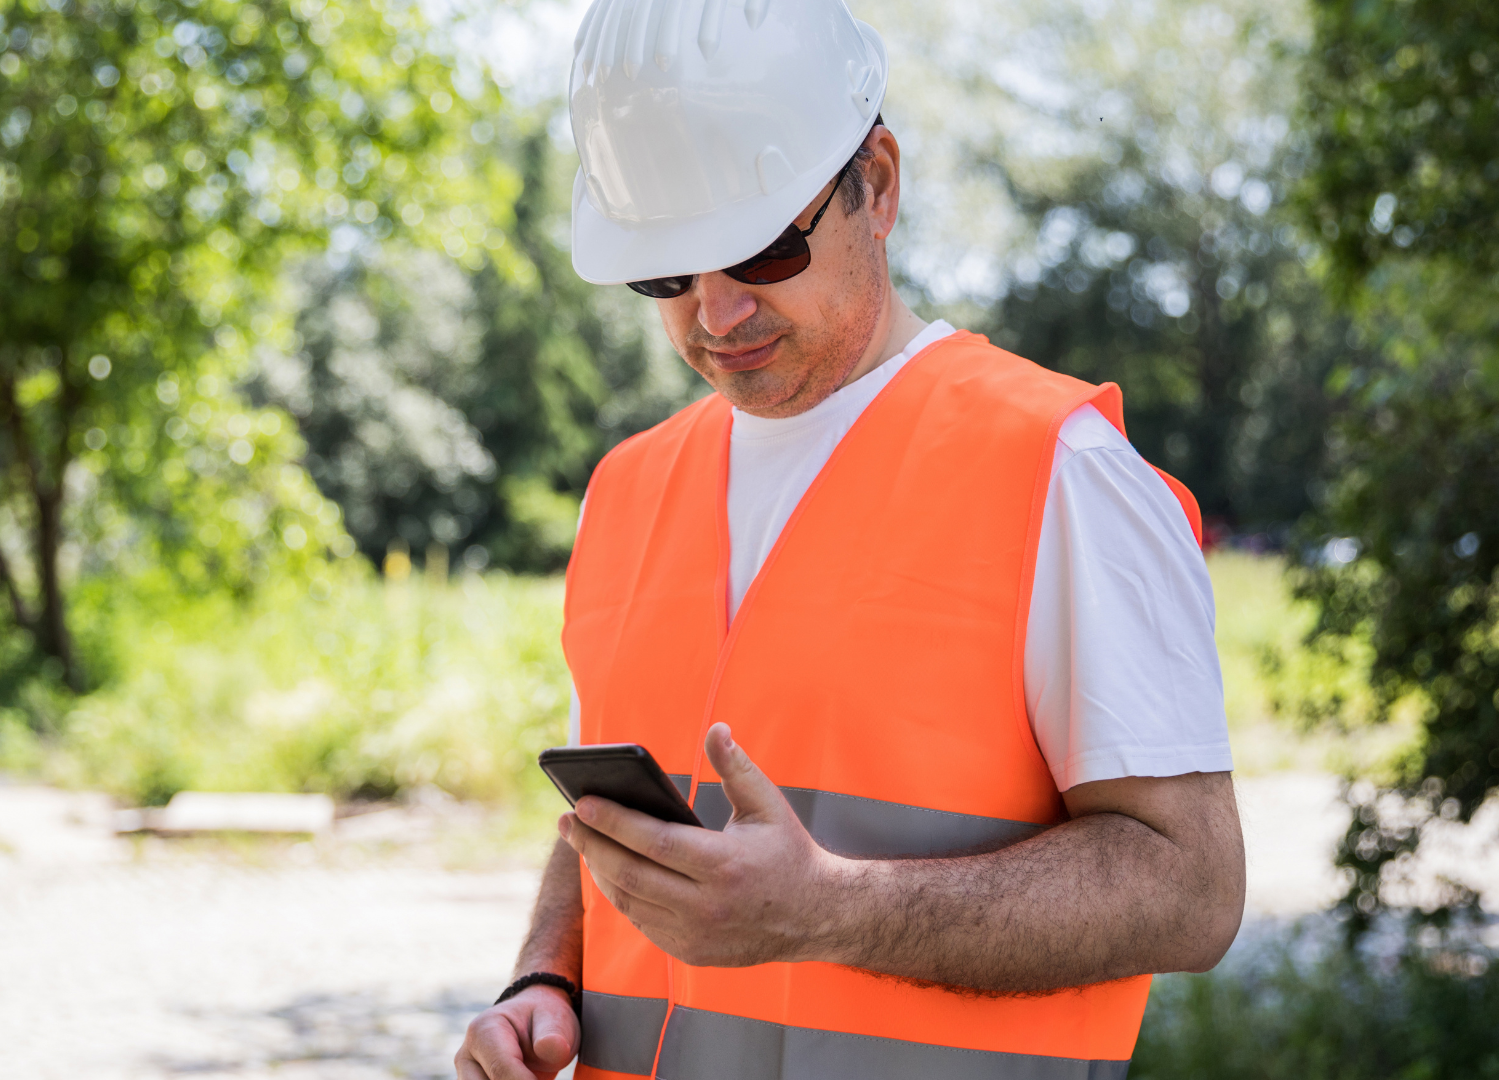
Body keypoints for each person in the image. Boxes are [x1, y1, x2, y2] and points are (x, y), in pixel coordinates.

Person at [456, 1, 1245, 1077]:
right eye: (665, 277)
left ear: (876, 182)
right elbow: (611, 831)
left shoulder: (1060, 470)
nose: (716, 315)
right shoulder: (628, 489)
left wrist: (831, 910)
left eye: (762, 250)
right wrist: (543, 975)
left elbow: (1190, 888)